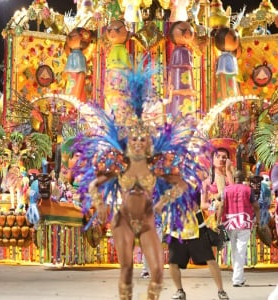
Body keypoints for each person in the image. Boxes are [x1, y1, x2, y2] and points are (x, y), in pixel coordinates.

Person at [73, 63, 209, 299]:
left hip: (147, 220)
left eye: (142, 139)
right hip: (123, 220)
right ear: (128, 141)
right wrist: (101, 204)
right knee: (125, 270)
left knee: (157, 272)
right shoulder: (119, 162)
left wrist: (162, 202)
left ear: (148, 142)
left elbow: (183, 185)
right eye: (133, 138)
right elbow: (94, 184)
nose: (137, 142)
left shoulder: (157, 164)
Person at [166, 189, 229, 300]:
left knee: (210, 260)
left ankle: (221, 291)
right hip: (177, 232)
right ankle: (179, 291)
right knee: (172, 262)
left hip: (197, 230)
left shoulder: (193, 187)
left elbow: (194, 206)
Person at [217, 170, 260, 287]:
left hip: (230, 223)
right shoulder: (248, 190)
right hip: (244, 223)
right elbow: (256, 206)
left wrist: (218, 221)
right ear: (243, 178)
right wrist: (258, 220)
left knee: (235, 249)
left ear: (234, 178)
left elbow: (221, 205)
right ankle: (237, 279)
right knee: (240, 250)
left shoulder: (226, 189)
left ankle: (239, 278)